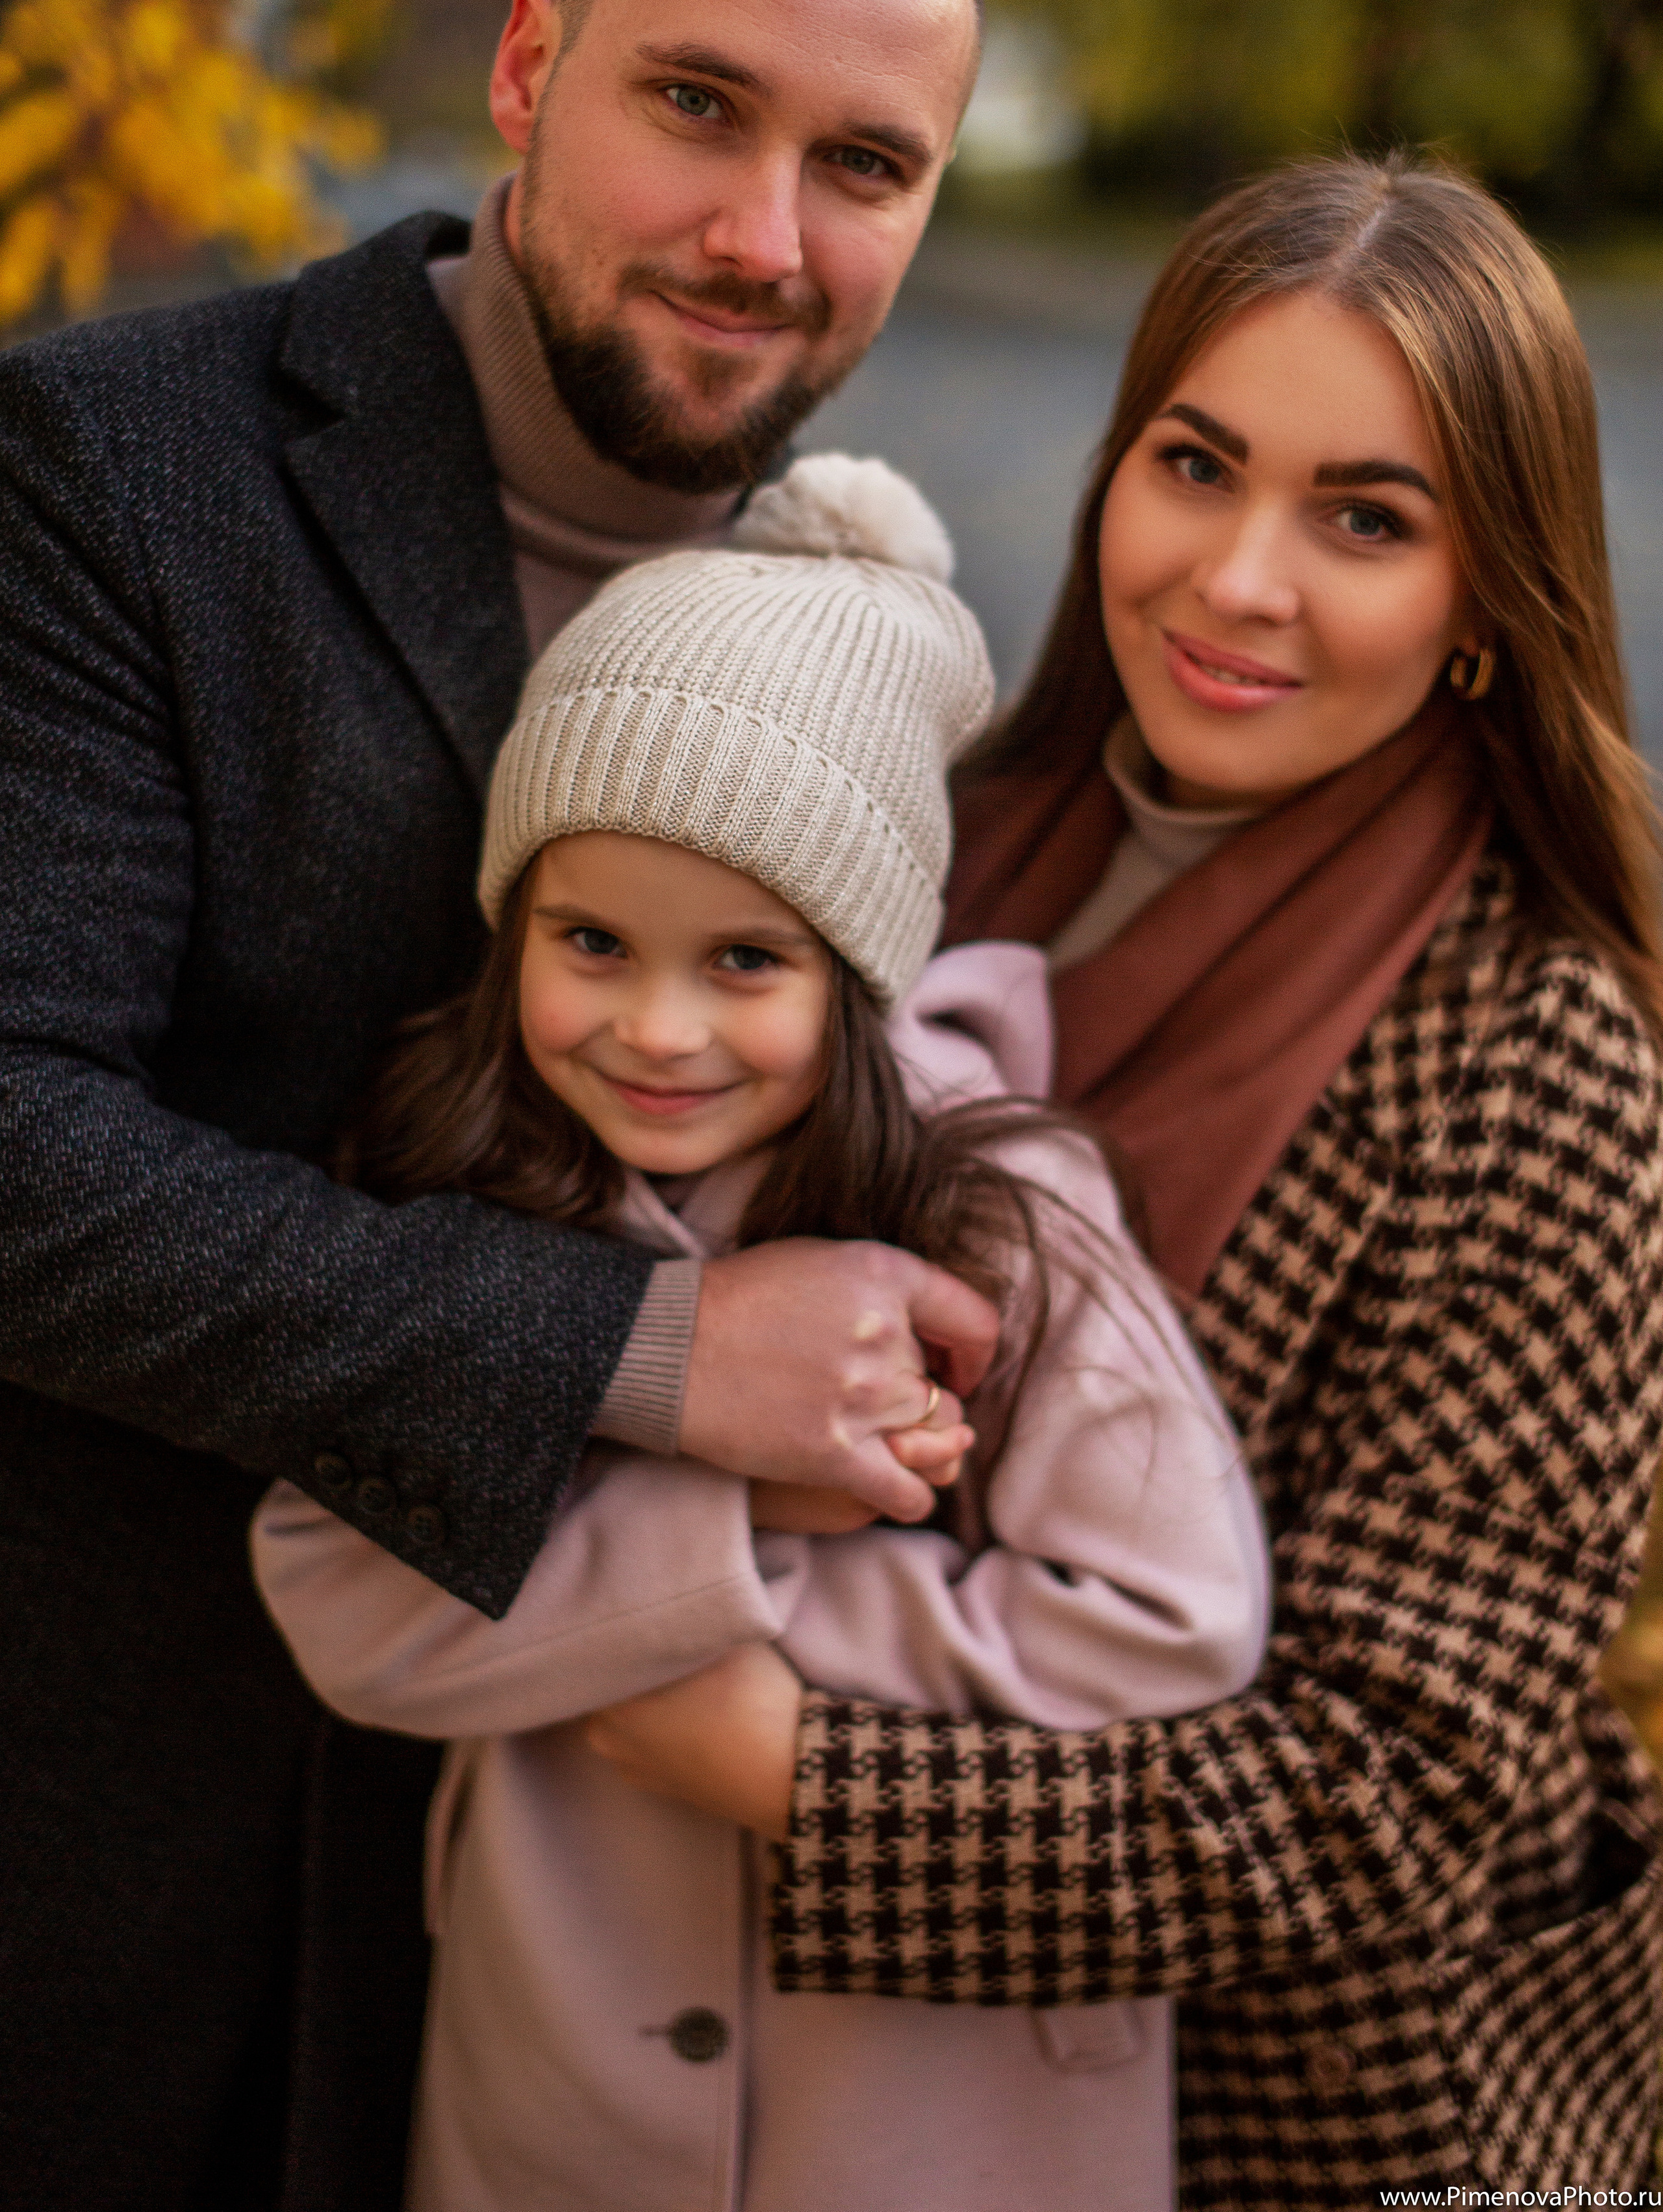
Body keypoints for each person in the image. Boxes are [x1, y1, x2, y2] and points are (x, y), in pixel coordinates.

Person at [0, 0, 993, 2212]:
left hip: (609, 1970)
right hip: (130, 1886)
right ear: (531, 67)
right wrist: (650, 1361)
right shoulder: (112, 468)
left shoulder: (881, 634)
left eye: (865, 164)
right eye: (696, 107)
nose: (765, 241)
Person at [576, 154, 1663, 2206]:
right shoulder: (913, 850)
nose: (1239, 580)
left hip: (1311, 2125)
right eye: (1197, 464)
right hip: (804, 2080)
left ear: (1484, 601)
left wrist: (788, 1772)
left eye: (1365, 519)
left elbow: (1387, 1794)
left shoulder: (1535, 1070)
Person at [250, 450, 1270, 2212]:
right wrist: (736, 1518)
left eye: (745, 962)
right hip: (556, 2091)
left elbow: (1172, 1625)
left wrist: (713, 1623)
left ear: (858, 973)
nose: (656, 1028)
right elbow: (338, 1598)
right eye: (592, 941)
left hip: (941, 2117)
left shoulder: (1005, 1219)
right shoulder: (472, 1194)